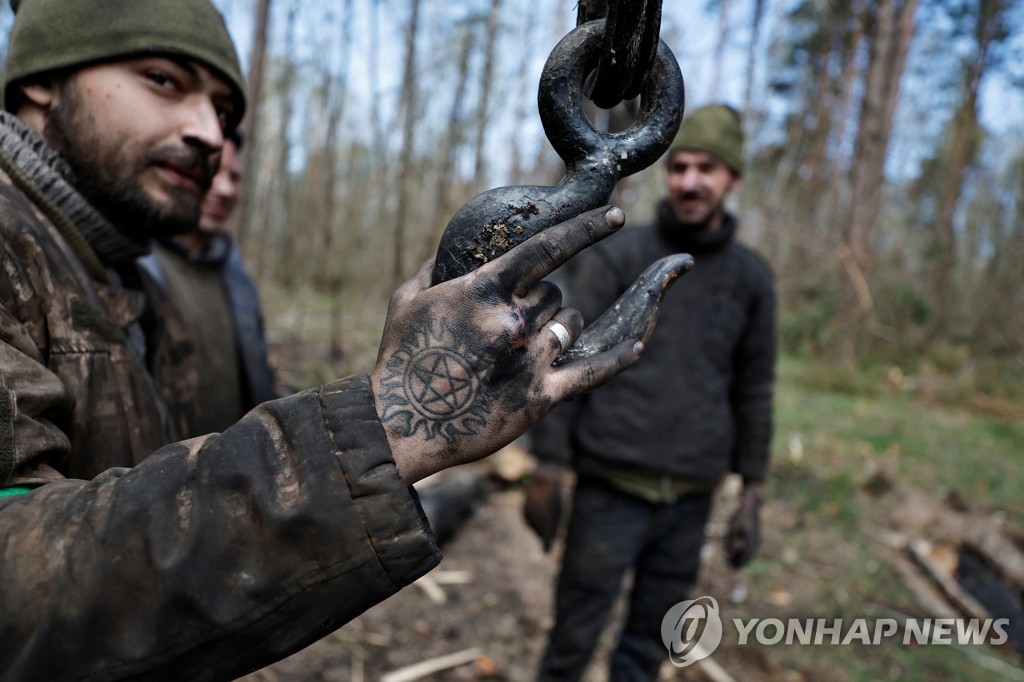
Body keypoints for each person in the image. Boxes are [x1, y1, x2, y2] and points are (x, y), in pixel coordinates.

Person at [0, 0, 642, 679]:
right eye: (163, 80)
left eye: (223, 111)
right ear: (42, 78)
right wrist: (387, 426)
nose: (209, 134)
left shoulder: (124, 279)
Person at [527, 104, 777, 681]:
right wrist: (549, 467)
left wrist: (752, 493)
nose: (690, 181)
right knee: (573, 638)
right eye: (680, 166)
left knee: (647, 648)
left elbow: (755, 387)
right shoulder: (621, 254)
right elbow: (565, 358)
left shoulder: (751, 279)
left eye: (707, 169)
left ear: (732, 179)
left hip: (691, 499)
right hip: (609, 490)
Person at [139, 128, 276, 435]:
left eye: (235, 177)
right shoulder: (131, 265)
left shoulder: (238, 275)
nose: (225, 189)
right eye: (213, 172)